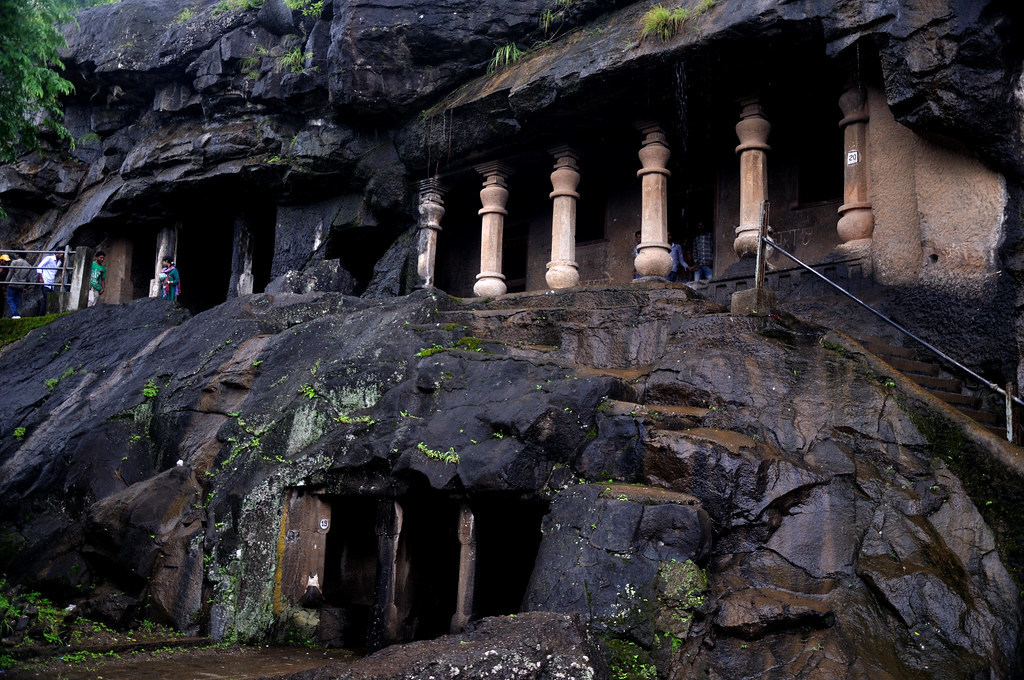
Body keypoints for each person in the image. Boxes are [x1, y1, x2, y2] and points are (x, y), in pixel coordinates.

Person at [5, 252, 35, 318]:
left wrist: (5, 282)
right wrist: (27, 287)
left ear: (18, 255)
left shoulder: (14, 262)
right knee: (17, 299)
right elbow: (28, 278)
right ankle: (14, 314)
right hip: (22, 285)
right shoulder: (28, 265)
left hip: (13, 283)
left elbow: (10, 273)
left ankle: (14, 314)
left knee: (10, 299)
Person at [36, 250, 64, 315]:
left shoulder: (59, 262)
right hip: (45, 281)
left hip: (51, 283)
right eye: (60, 253)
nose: (62, 254)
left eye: (62, 253)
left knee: (50, 298)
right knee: (45, 298)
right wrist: (41, 278)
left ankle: (46, 314)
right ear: (56, 253)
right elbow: (39, 267)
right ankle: (41, 315)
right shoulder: (49, 258)